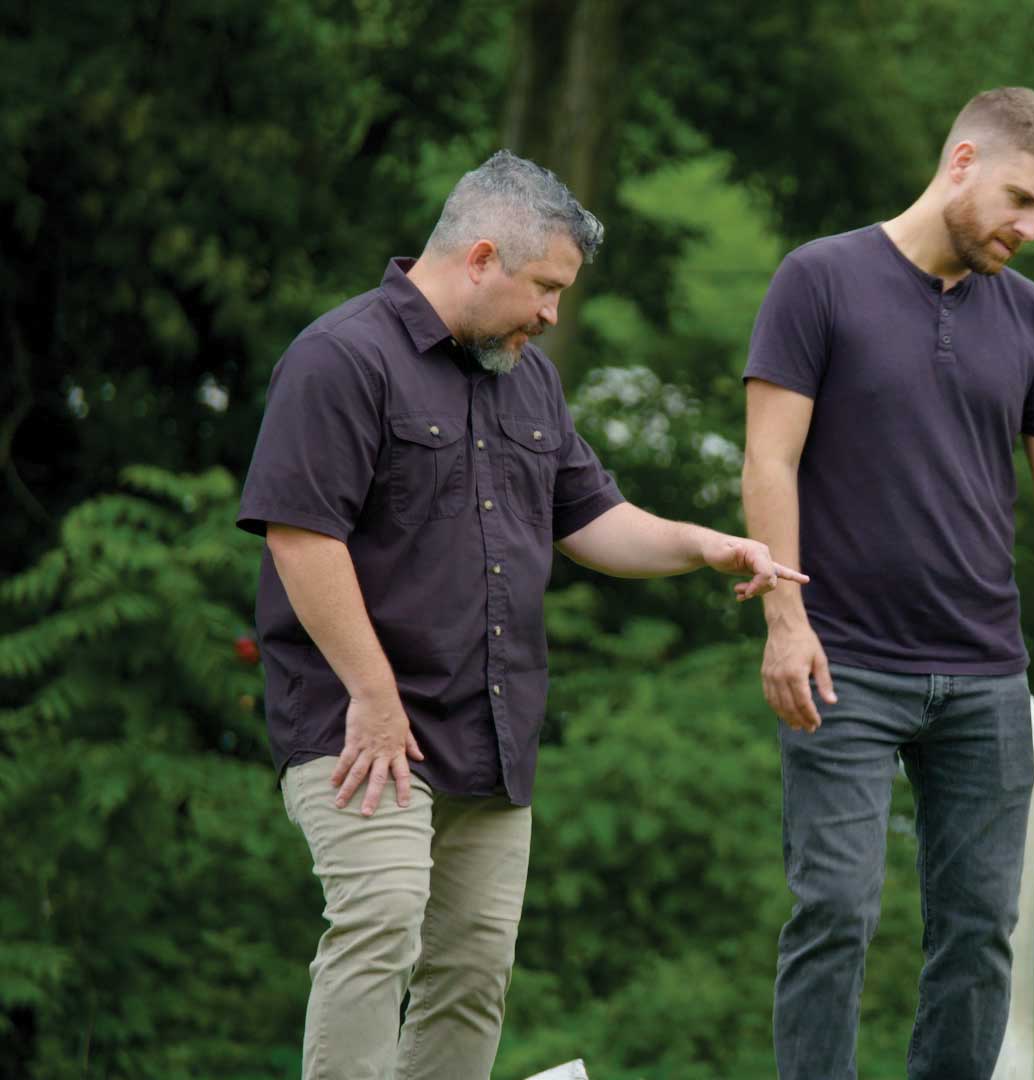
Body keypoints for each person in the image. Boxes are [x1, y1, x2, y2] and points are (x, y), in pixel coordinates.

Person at [237, 150, 804, 1080]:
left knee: (473, 973)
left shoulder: (527, 380)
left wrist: (704, 544)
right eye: (544, 288)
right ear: (481, 256)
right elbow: (301, 539)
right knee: (380, 921)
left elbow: (594, 521)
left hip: (491, 734)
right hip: (362, 723)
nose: (551, 314)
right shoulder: (340, 359)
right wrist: (374, 696)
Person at [742, 87, 1034, 1080]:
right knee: (835, 912)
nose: (1029, 230)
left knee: (981, 931)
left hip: (986, 676)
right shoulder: (819, 280)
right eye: (1020, 200)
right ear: (960, 162)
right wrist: (786, 620)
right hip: (842, 664)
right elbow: (768, 463)